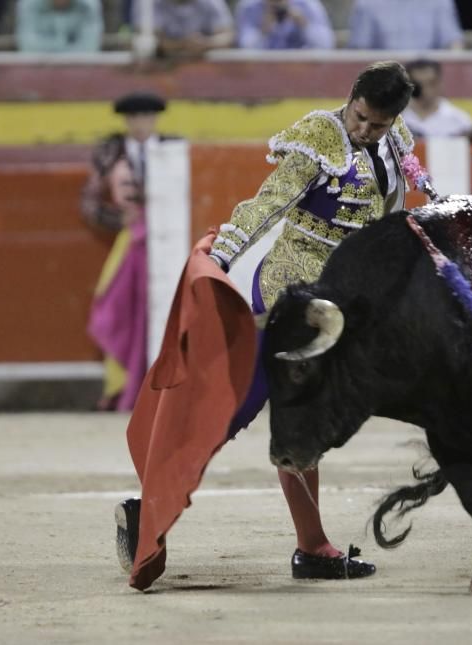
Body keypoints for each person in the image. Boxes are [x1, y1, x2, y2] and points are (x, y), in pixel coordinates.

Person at [117, 61, 422, 582]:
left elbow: (388, 214)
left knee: (308, 418)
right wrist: (223, 257)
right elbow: (267, 204)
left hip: (342, 303)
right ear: (350, 99)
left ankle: (312, 548)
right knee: (231, 409)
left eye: (378, 124)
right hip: (288, 296)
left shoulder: (394, 144)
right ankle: (145, 513)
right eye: (361, 118)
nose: (365, 130)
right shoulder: (318, 139)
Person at [83, 92, 174, 413]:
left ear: (155, 119)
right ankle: (126, 387)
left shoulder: (174, 147)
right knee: (123, 308)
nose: (140, 123)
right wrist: (118, 219)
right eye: (134, 118)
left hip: (171, 242)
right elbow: (90, 203)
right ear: (126, 121)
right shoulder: (110, 153)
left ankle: (170, 388)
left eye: (146, 117)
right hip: (131, 242)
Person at [401, 59, 472, 139]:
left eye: (431, 83)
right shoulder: (396, 119)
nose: (425, 90)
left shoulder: (460, 121)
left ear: (440, 83)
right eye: (419, 85)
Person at [348, 0, 464, 50]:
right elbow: (360, 51)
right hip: (382, 83)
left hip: (427, 78)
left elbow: (454, 45)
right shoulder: (366, 3)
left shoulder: (440, 1)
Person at [135, 0, 234, 57]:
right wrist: (183, 45)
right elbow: (149, 41)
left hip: (206, 76)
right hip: (159, 75)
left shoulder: (212, 2)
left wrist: (206, 43)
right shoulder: (148, 3)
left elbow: (228, 36)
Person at [235, 0, 334, 49]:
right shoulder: (248, 8)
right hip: (261, 75)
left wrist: (304, 24)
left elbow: (327, 44)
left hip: (302, 73)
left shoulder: (308, 5)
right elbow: (246, 49)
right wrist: (264, 30)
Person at [15, 0, 103, 54]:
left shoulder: (89, 5)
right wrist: (63, 47)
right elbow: (28, 47)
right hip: (37, 73)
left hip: (80, 74)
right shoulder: (28, 4)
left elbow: (90, 49)